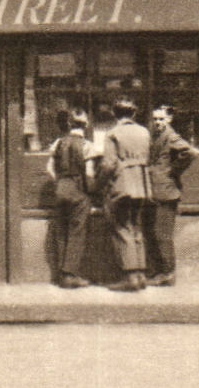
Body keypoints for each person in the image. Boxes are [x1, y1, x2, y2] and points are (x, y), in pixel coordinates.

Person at [97, 98, 152, 292]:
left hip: (122, 184)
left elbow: (108, 164)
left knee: (121, 227)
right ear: (134, 113)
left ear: (114, 113)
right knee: (136, 227)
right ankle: (141, 275)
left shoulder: (113, 133)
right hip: (143, 184)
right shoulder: (144, 131)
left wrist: (99, 184)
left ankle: (130, 276)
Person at [143, 104, 197, 286]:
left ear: (169, 119)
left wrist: (173, 171)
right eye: (155, 119)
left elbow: (190, 152)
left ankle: (167, 273)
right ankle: (159, 271)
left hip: (166, 192)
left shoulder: (171, 136)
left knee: (162, 234)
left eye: (161, 119)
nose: (157, 122)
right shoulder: (159, 136)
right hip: (158, 190)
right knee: (155, 233)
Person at [46, 108, 99, 289]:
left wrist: (60, 181)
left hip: (62, 189)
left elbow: (49, 169)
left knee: (61, 231)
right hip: (79, 192)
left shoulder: (58, 143)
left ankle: (60, 273)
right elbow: (90, 173)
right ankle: (70, 275)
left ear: (69, 124)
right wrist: (91, 192)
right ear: (85, 126)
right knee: (77, 232)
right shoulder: (87, 145)